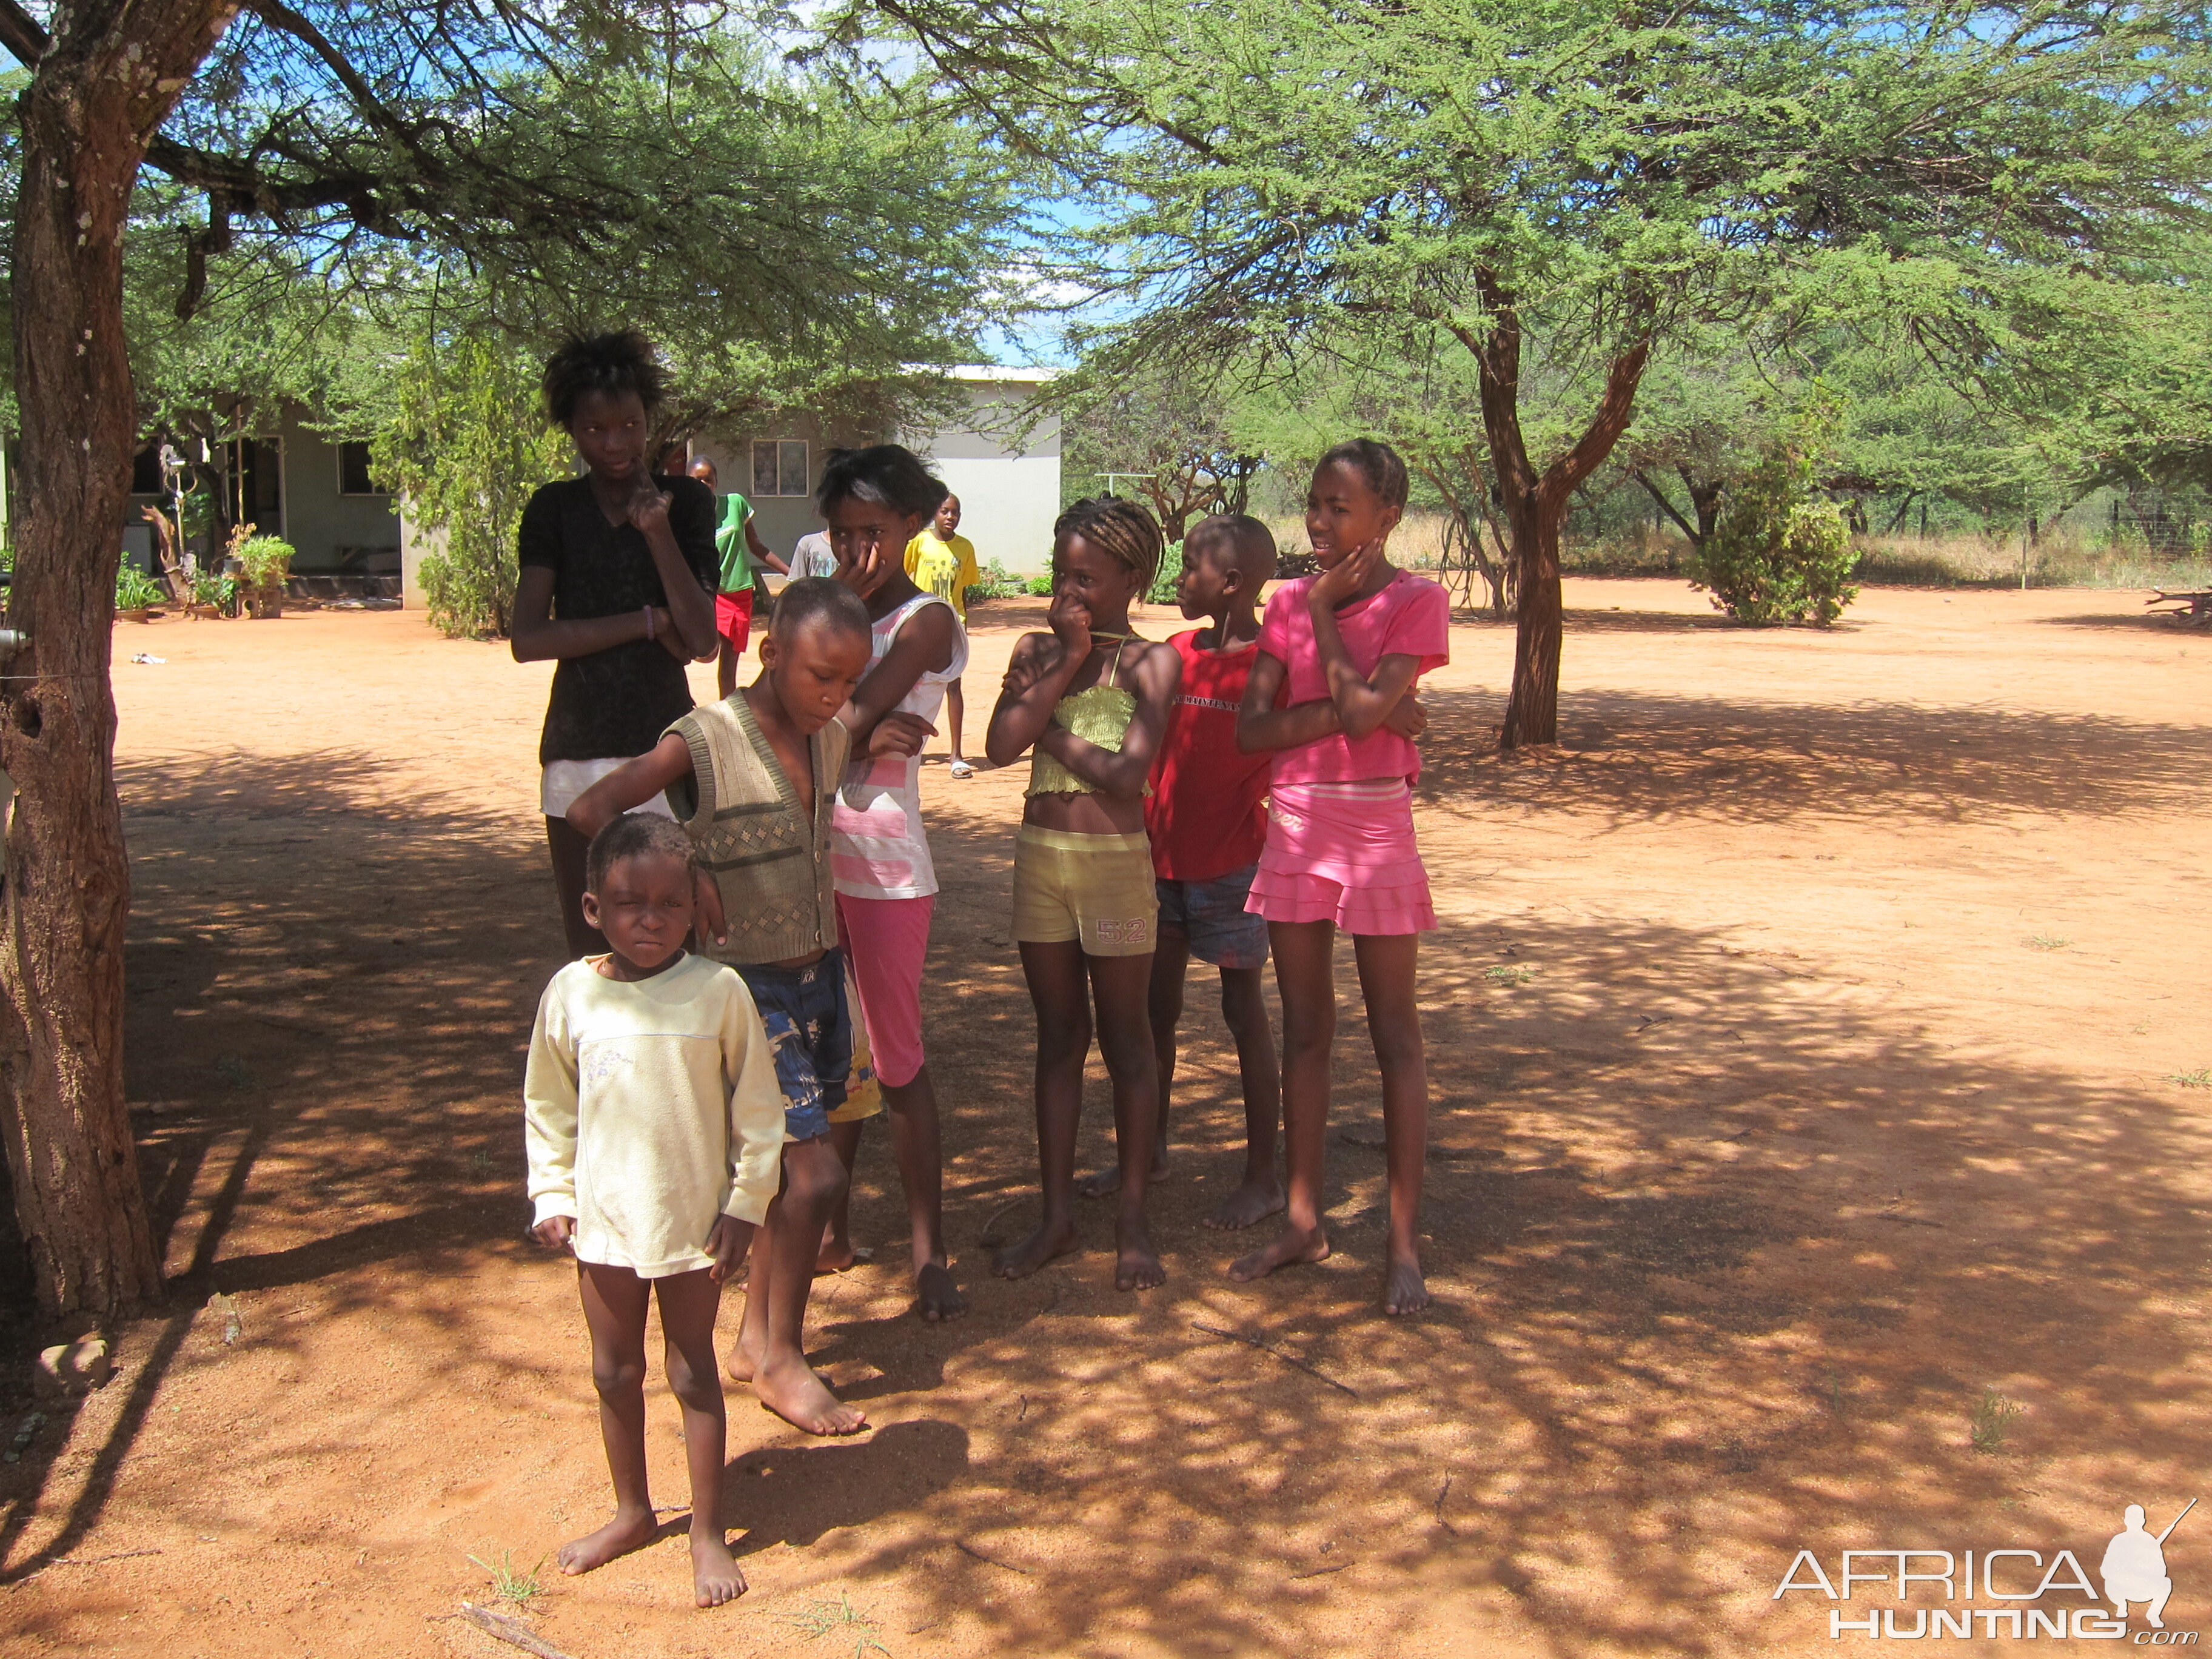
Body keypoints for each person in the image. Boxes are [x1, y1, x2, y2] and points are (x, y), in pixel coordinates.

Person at [568, 579, 874, 1436]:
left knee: (783, 1179)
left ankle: (753, 1341)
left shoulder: (833, 737)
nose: (835, 697)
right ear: (770, 655)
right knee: (814, 1175)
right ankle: (782, 1359)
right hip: (741, 994)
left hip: (820, 982)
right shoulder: (703, 741)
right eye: (822, 676)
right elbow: (594, 810)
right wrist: (680, 871)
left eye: (850, 683)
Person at [523, 813, 786, 1607]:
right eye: (630, 903)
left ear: (696, 905)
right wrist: (553, 1193)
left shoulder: (718, 992)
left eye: (672, 904)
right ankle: (633, 1510)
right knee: (614, 1370)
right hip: (603, 1224)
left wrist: (744, 1206)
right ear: (593, 908)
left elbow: (761, 1113)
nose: (653, 919)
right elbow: (548, 1102)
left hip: (691, 1225)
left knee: (694, 1372)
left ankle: (707, 1534)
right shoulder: (571, 994)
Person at [1231, 438, 1447, 1316]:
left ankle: (1401, 1242)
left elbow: (1361, 717)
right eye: (1312, 503)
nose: (1318, 522)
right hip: (1297, 828)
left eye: (1338, 507)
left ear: (1386, 518)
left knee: (1397, 1039)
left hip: (1376, 827)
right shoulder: (1282, 601)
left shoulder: (1414, 599)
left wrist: (1326, 622)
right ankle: (1303, 1219)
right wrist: (1387, 713)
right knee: (1307, 1031)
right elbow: (1251, 732)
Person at [985, 497, 1181, 1292]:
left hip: (1113, 865)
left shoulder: (1151, 663)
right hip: (1043, 860)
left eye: (1087, 579)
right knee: (1060, 1038)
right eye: (1061, 574)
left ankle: (1132, 1224)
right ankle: (1058, 1217)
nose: (1068, 591)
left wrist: (1047, 729)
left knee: (1128, 1041)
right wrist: (1064, 659)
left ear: (1130, 579)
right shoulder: (1038, 650)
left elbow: (1130, 777)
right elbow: (999, 745)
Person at [1077, 514, 1286, 1230]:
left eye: (1191, 567)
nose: (1179, 579)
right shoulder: (1173, 652)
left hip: (1232, 868)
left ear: (1229, 583)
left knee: (1242, 1013)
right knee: (1151, 1013)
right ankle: (1151, 1149)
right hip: (1156, 862)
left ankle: (1264, 1176)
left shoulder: (1269, 667)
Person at [810, 446, 970, 1322]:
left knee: (897, 1059)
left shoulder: (928, 620)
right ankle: (827, 1231)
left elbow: (846, 715)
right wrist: (859, 738)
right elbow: (793, 722)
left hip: (881, 868)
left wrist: (853, 733)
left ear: (913, 525)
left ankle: (927, 1252)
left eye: (873, 532)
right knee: (825, 1052)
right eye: (841, 533)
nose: (857, 550)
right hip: (805, 858)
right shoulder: (827, 610)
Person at [510, 331, 719, 959]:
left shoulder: (685, 504)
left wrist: (656, 532)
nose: (616, 444)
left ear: (647, 421)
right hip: (578, 750)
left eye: (629, 425)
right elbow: (529, 637)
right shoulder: (555, 509)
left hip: (666, 753)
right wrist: (648, 623)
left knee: (681, 943)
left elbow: (703, 640)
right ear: (571, 430)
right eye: (596, 430)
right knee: (595, 948)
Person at [904, 492, 983, 778]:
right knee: (910, 684)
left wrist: (963, 625)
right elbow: (904, 575)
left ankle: (957, 755)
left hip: (951, 624)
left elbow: (962, 591)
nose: (951, 517)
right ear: (934, 514)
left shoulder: (965, 548)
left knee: (953, 685)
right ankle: (909, 747)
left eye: (956, 512)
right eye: (945, 511)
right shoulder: (919, 543)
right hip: (920, 620)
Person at [700, 458, 791, 700]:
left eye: (708, 479)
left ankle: (727, 716)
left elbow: (756, 547)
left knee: (728, 667)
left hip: (739, 594)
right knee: (704, 652)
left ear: (716, 481)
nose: (703, 484)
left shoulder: (734, 504)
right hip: (710, 595)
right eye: (696, 480)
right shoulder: (686, 518)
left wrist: (791, 573)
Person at [2101, 1503, 2179, 1627]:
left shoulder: (2149, 1541)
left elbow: (2161, 1571)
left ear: (2126, 1521)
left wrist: (2143, 1568)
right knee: (2110, 1580)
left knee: (2166, 1582)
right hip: (2122, 1587)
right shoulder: (2119, 1540)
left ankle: (2153, 1614)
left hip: (2143, 1589)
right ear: (2143, 1521)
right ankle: (2121, 1605)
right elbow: (2106, 1569)